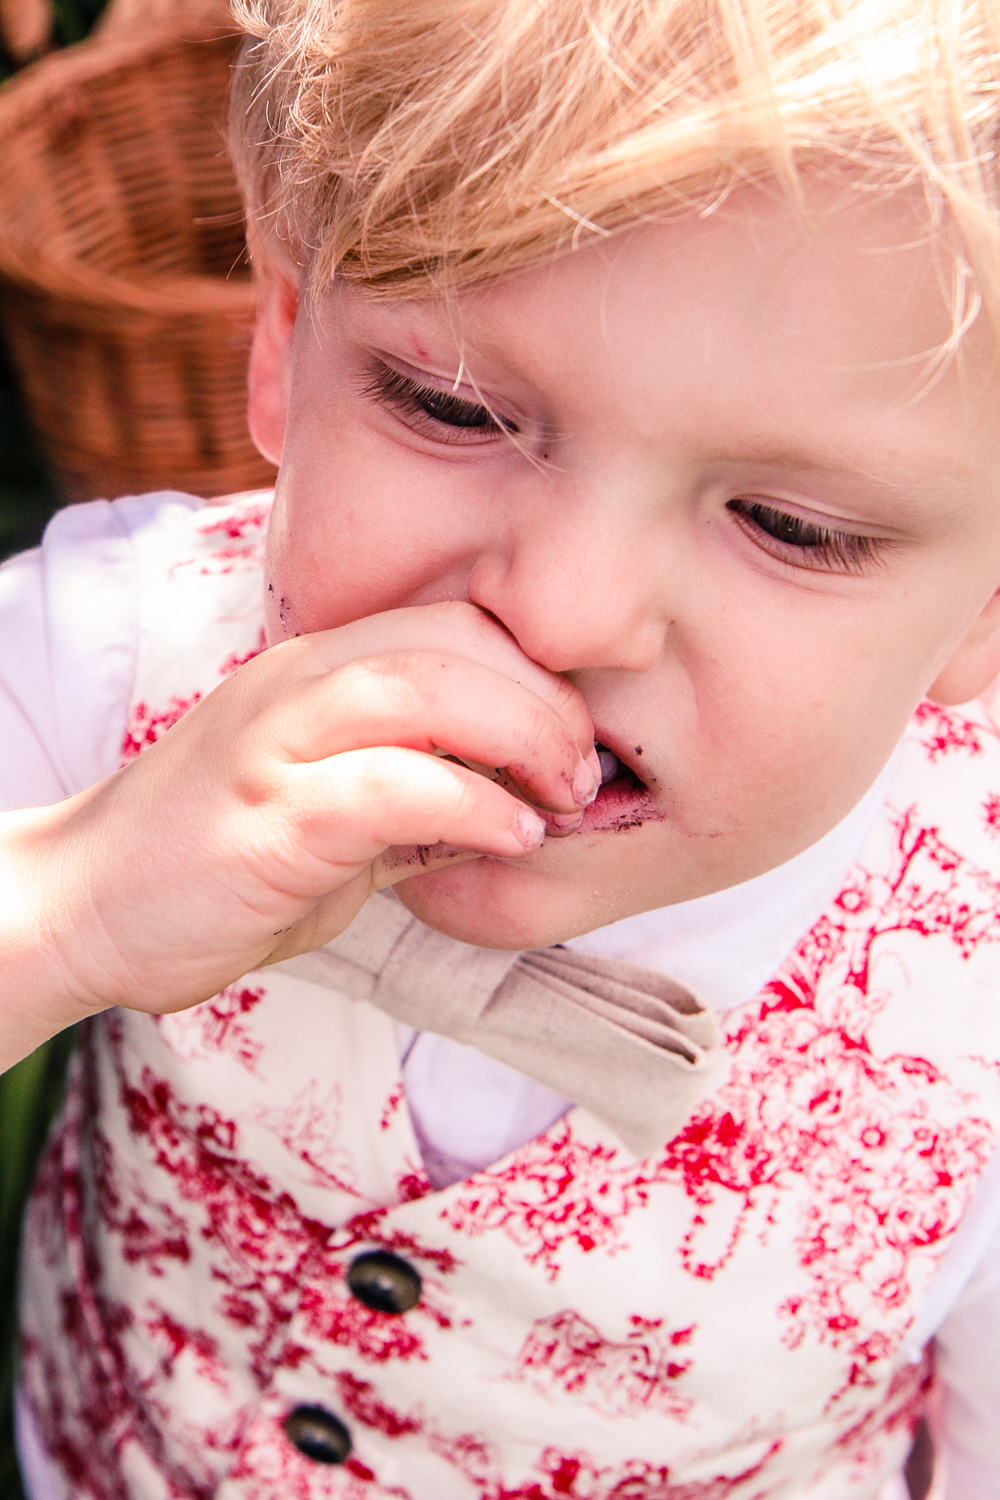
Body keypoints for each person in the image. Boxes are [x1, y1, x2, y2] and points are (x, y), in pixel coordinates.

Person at [5, 0, 1000, 1493]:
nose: (566, 611)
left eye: (796, 527)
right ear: (283, 333)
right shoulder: (120, 647)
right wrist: (71, 905)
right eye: (451, 405)